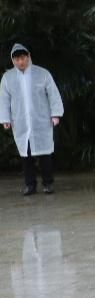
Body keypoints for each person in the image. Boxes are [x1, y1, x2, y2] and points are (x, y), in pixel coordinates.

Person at [0, 43, 64, 195]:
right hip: (21, 122)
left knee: (45, 154)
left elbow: (53, 94)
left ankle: (48, 183)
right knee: (26, 155)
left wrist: (55, 114)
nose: (20, 62)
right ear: (13, 60)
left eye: (23, 58)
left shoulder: (42, 73)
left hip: (41, 121)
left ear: (28, 56)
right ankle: (30, 185)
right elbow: (4, 100)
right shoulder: (8, 78)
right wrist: (5, 119)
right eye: (17, 59)